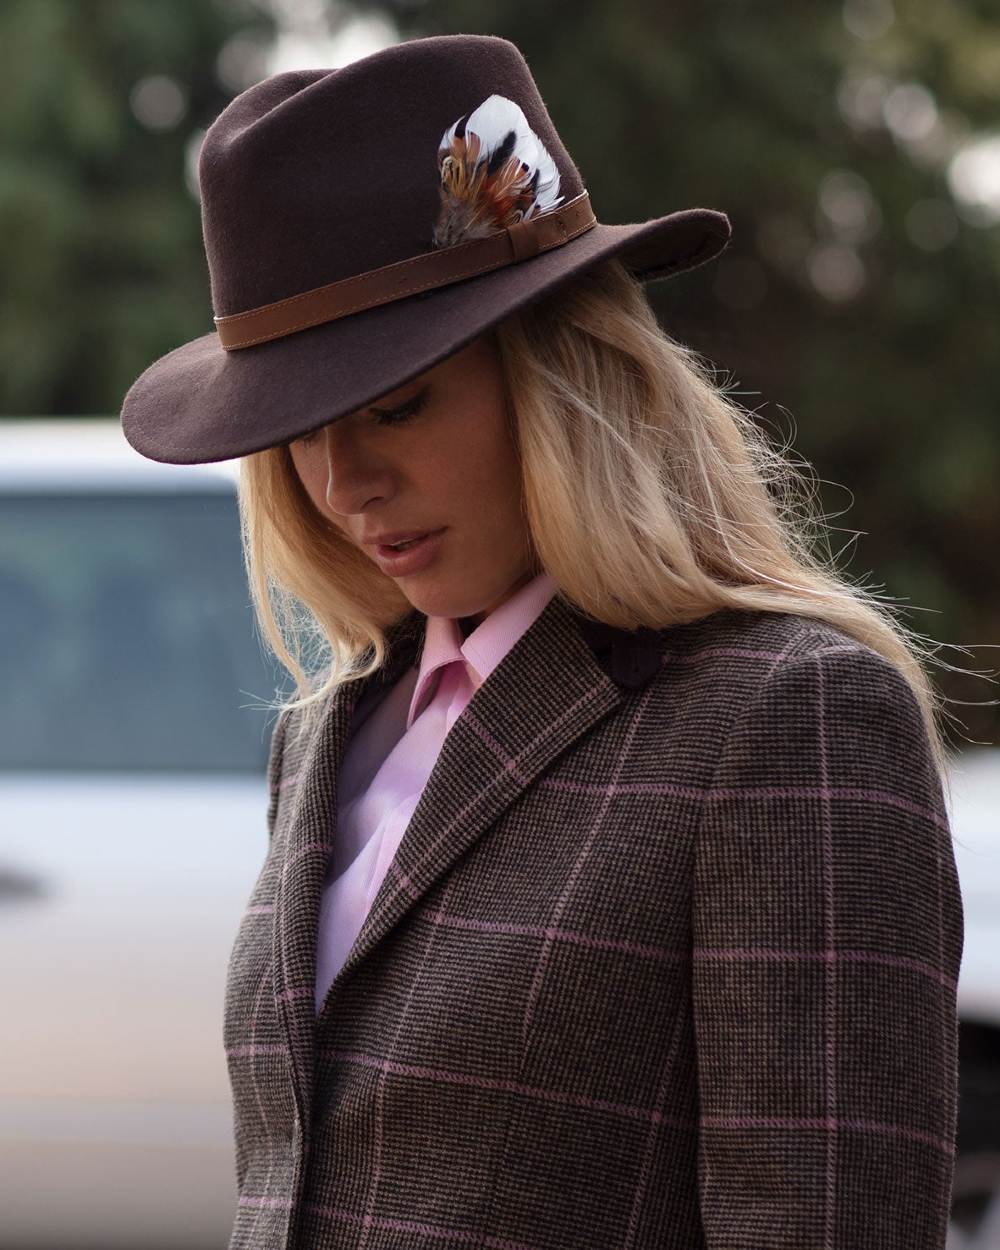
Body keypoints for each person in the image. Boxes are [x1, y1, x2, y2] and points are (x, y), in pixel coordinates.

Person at [120, 33, 963, 1250]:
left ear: (565, 378)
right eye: (298, 427)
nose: (343, 483)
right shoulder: (334, 723)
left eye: (395, 404)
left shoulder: (788, 715)